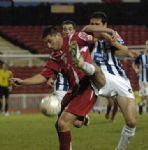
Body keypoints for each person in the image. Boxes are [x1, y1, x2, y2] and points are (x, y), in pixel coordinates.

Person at [12, 26, 111, 150]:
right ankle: (82, 119)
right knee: (64, 123)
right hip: (75, 90)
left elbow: (95, 38)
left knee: (63, 123)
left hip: (87, 85)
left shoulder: (74, 38)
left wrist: (111, 36)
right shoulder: (56, 56)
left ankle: (83, 66)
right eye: (46, 43)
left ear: (58, 35)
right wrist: (23, 82)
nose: (48, 45)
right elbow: (44, 76)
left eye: (49, 41)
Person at [71, 11, 137, 150]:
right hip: (98, 76)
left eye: (97, 24)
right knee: (96, 69)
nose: (94, 26)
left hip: (119, 78)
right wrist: (107, 31)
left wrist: (111, 40)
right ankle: (82, 63)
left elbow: (125, 51)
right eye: (92, 23)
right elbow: (86, 29)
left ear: (104, 24)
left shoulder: (113, 35)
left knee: (131, 122)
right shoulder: (86, 36)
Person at [132, 40, 148, 114]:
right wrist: (136, 69)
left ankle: (142, 104)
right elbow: (134, 64)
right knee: (146, 93)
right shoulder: (141, 56)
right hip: (143, 79)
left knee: (144, 94)